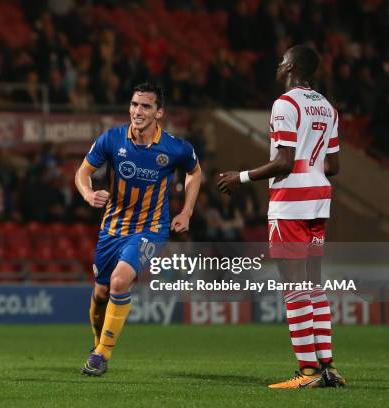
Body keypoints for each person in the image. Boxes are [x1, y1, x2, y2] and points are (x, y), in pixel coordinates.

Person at [217, 44, 345, 388]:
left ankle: (307, 372)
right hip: (319, 199)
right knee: (313, 284)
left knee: (293, 287)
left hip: (290, 202)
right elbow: (333, 166)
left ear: (291, 66)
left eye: (281, 60)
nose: (277, 64)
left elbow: (284, 161)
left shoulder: (285, 104)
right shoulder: (328, 108)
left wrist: (241, 177)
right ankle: (328, 367)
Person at [75, 82, 201, 376]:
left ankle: (103, 354)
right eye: (134, 104)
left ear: (159, 112)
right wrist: (87, 193)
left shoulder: (174, 147)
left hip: (150, 228)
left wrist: (186, 211)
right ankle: (97, 343)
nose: (137, 111)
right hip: (112, 227)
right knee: (101, 292)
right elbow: (82, 172)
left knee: (120, 282)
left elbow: (195, 172)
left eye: (146, 106)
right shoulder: (112, 139)